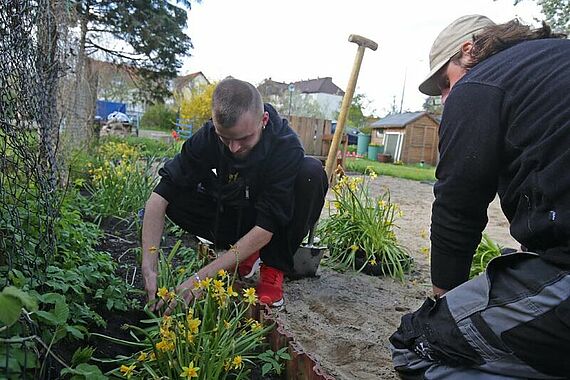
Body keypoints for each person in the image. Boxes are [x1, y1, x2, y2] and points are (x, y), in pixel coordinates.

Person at [390, 15, 570, 379]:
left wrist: (444, 303)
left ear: (469, 51)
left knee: (418, 348)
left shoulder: (479, 84)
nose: (446, 98)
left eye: (444, 83)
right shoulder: (551, 66)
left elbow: (457, 208)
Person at [141, 78, 328, 309]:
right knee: (175, 194)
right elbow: (159, 197)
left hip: (269, 225)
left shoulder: (286, 146)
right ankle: (243, 252)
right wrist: (148, 266)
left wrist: (200, 278)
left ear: (264, 120)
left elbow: (268, 224)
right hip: (235, 214)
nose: (234, 148)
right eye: (225, 138)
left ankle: (273, 266)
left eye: (243, 139)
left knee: (312, 172)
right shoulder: (209, 136)